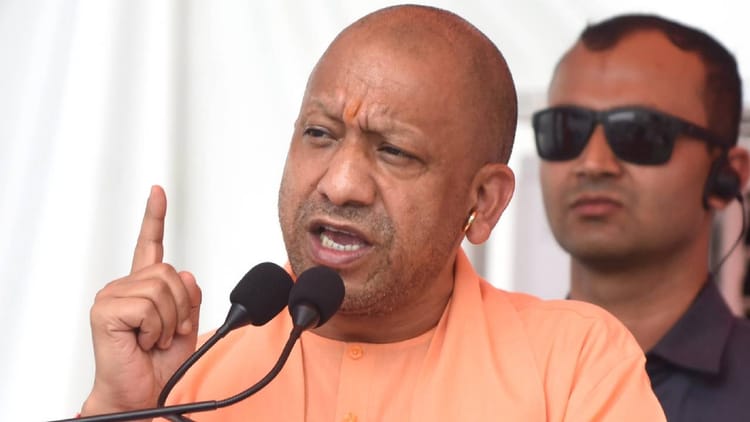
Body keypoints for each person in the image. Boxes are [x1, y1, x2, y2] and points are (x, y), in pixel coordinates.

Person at [80, 5, 665, 421]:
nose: (340, 185)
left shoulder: (571, 364)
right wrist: (122, 409)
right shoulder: (192, 380)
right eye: (319, 134)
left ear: (484, 201)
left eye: (394, 151)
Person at [533, 13, 750, 421]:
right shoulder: (477, 372)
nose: (592, 163)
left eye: (640, 132)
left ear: (727, 176)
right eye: (566, 129)